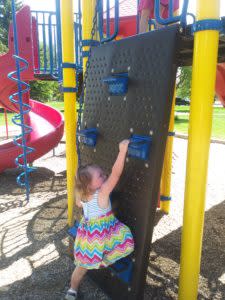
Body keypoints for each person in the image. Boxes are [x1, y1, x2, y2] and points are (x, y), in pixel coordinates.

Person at [65, 140, 134, 300]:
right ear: (90, 185)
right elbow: (116, 173)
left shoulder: (82, 194)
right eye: (100, 175)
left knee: (81, 266)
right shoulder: (102, 192)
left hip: (88, 236)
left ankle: (72, 290)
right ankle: (103, 260)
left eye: (103, 173)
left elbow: (78, 202)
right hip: (102, 234)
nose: (105, 175)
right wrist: (122, 151)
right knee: (124, 238)